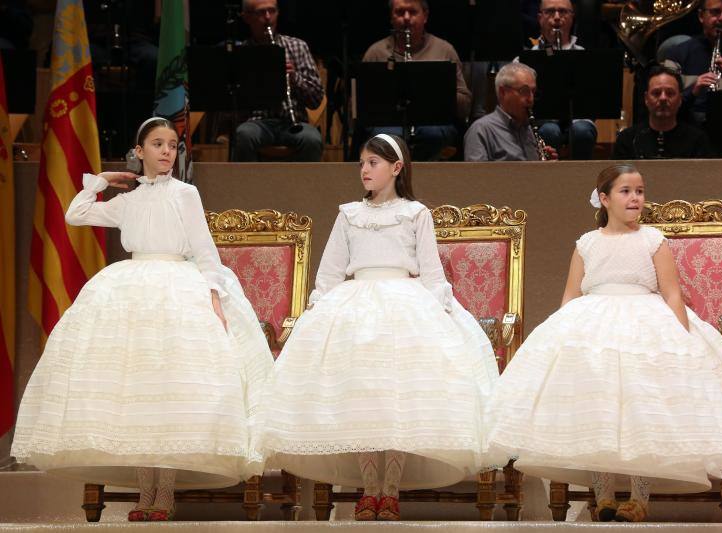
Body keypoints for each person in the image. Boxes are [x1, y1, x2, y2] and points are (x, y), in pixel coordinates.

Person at [485, 164, 722, 522]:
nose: (635, 198)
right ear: (604, 198)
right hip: (594, 326)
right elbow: (571, 295)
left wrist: (682, 337)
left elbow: (672, 293)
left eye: (640, 191)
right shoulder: (587, 244)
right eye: (625, 191)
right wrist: (560, 337)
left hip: (645, 324)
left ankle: (639, 497)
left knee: (642, 404)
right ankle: (601, 496)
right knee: (597, 405)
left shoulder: (652, 240)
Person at [11, 117, 271, 522]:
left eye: (172, 145)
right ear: (140, 151)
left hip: (177, 290)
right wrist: (100, 180)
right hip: (131, 288)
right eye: (157, 144)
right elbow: (76, 215)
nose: (167, 151)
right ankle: (144, 492)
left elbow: (204, 249)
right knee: (137, 389)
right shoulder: (128, 200)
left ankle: (163, 492)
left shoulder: (185, 194)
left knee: (167, 388)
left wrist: (214, 296)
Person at [254, 134, 499, 521]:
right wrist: (317, 309)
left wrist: (444, 313)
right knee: (364, 399)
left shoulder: (415, 213)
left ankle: (391, 489)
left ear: (396, 168)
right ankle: (369, 489)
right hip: (357, 307)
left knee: (394, 398)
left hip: (404, 305)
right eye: (362, 163)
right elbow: (331, 270)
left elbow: (432, 272)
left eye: (373, 163)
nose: (366, 170)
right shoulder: (349, 214)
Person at [362, 0, 472, 161]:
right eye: (399, 12)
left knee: (432, 135)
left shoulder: (444, 50)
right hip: (389, 124)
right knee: (388, 138)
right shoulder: (376, 52)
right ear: (391, 18)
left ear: (425, 16)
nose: (406, 18)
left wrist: (437, 92)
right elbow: (362, 104)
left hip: (434, 124)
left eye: (413, 12)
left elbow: (465, 105)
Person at [235, 0, 324, 161]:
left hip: (293, 122)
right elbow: (230, 102)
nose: (268, 17)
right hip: (256, 123)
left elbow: (316, 99)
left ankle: (306, 186)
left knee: (312, 139)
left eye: (272, 11)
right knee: (244, 134)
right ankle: (247, 186)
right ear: (247, 17)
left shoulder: (297, 46)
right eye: (261, 12)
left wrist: (294, 77)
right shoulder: (241, 52)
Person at [521, 0, 597, 160]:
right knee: (549, 131)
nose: (556, 17)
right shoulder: (527, 58)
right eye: (550, 12)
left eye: (563, 12)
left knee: (582, 131)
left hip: (578, 119)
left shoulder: (585, 55)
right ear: (540, 17)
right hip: (542, 121)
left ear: (572, 17)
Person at [664, 0, 722, 124]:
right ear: (701, 16)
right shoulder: (677, 54)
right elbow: (666, 104)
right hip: (687, 126)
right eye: (715, 12)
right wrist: (694, 90)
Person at [613, 66, 712, 159]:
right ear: (646, 99)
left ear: (680, 99)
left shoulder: (697, 141)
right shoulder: (627, 140)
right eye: (656, 93)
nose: (663, 98)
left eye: (670, 93)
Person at [464, 62, 557, 161]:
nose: (531, 99)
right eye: (524, 91)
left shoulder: (528, 129)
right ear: (503, 92)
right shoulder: (481, 130)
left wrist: (547, 168)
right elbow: (476, 175)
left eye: (533, 92)